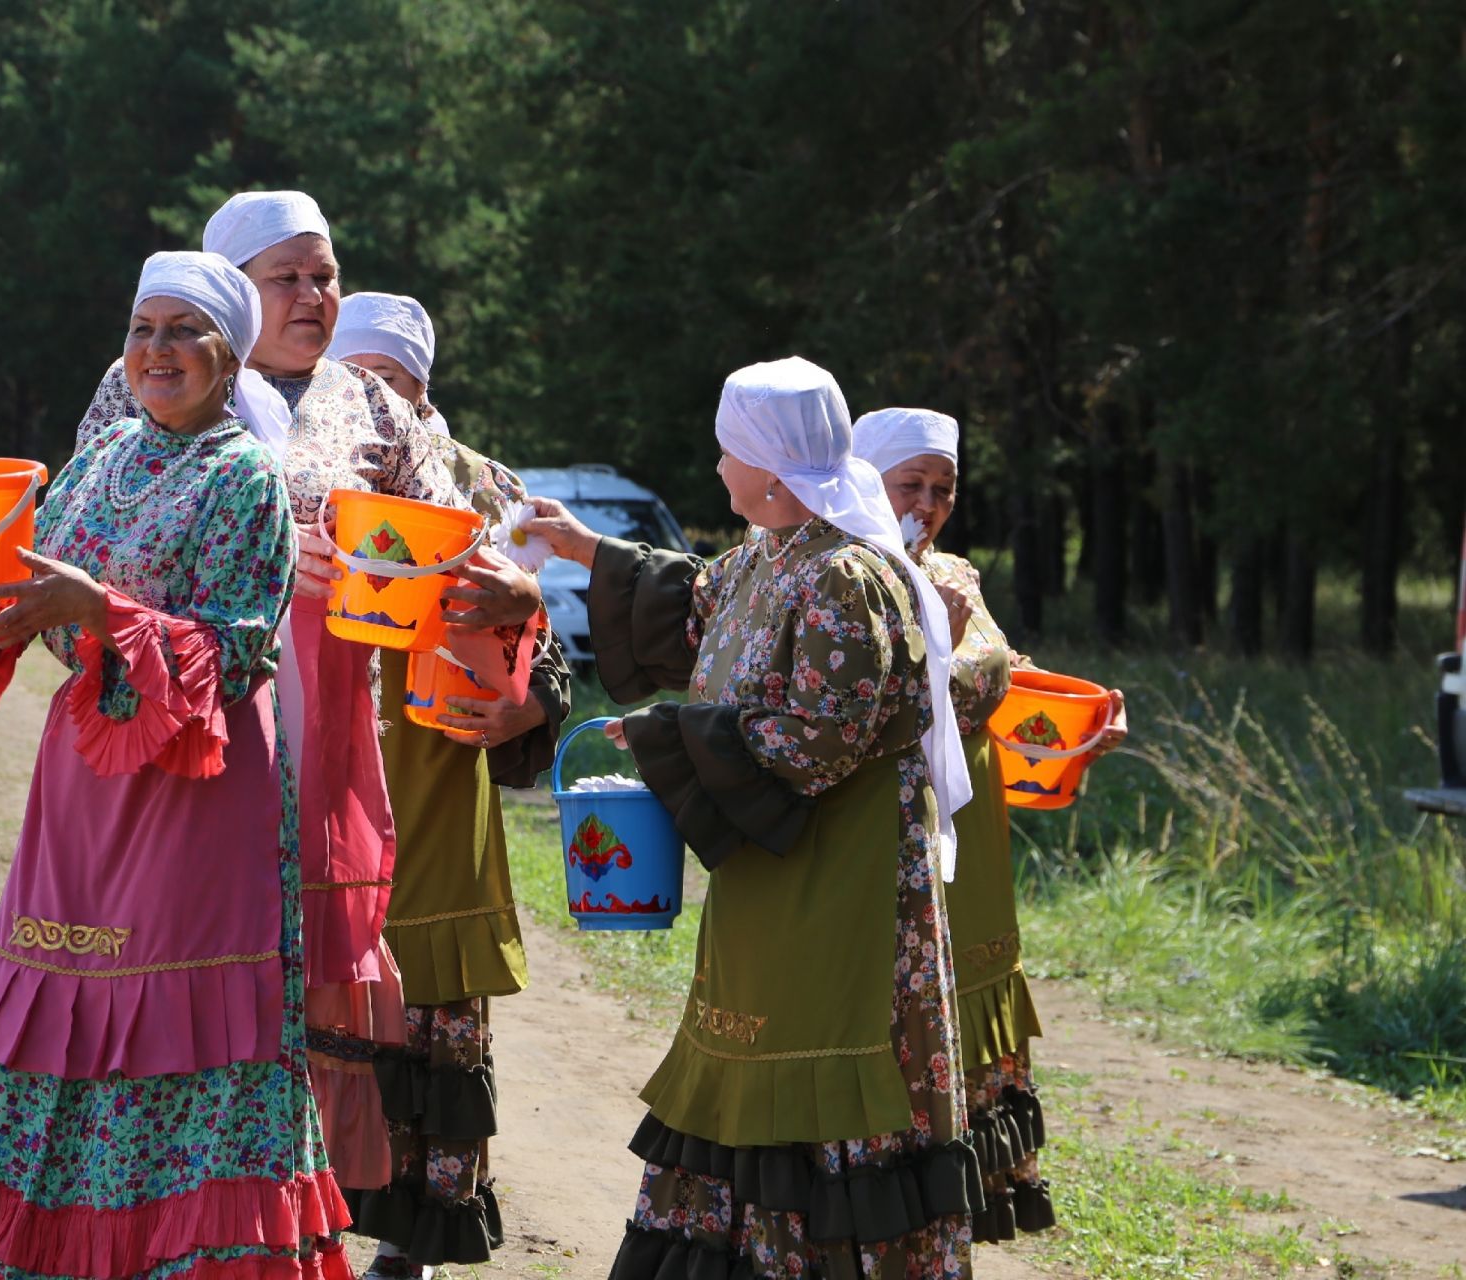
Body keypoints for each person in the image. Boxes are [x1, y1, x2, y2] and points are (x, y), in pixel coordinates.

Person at [0, 252, 349, 1279]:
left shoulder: (248, 477)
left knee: (175, 1026)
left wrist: (97, 610)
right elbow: (26, 587)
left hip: (198, 792)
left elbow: (236, 651)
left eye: (186, 331)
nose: (158, 351)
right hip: (82, 791)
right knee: (58, 1002)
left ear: (230, 356)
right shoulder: (99, 462)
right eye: (144, 329)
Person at [72, 192, 544, 1200]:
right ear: (229, 288)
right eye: (285, 275)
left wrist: (506, 583)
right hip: (195, 727)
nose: (312, 295)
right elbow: (91, 544)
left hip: (330, 735)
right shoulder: (147, 385)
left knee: (312, 994)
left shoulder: (368, 403)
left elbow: (452, 531)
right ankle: (171, 1208)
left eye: (325, 274)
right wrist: (269, 563)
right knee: (192, 975)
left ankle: (281, 1220)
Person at [526, 358, 986, 1280]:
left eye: (727, 448)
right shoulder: (761, 559)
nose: (719, 464)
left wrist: (668, 734)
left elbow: (821, 742)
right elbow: (695, 607)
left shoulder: (847, 576)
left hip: (843, 876)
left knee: (824, 1054)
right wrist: (585, 550)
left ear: (768, 468)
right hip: (776, 872)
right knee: (751, 1041)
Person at [327, 291, 572, 1277]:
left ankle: (412, 1241)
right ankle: (306, 1227)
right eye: (357, 384)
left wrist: (531, 706)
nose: (375, 405)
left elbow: (539, 648)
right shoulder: (300, 469)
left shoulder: (483, 487)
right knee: (319, 1025)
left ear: (424, 390)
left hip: (437, 782)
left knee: (431, 1027)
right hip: (330, 775)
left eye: (392, 384)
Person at [852, 407, 1127, 1244]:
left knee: (970, 999)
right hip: (889, 838)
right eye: (912, 484)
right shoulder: (851, 575)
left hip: (975, 849)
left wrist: (1080, 715)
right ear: (868, 478)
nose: (929, 503)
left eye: (944, 489)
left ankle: (952, 1210)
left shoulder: (959, 575)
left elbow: (999, 677)